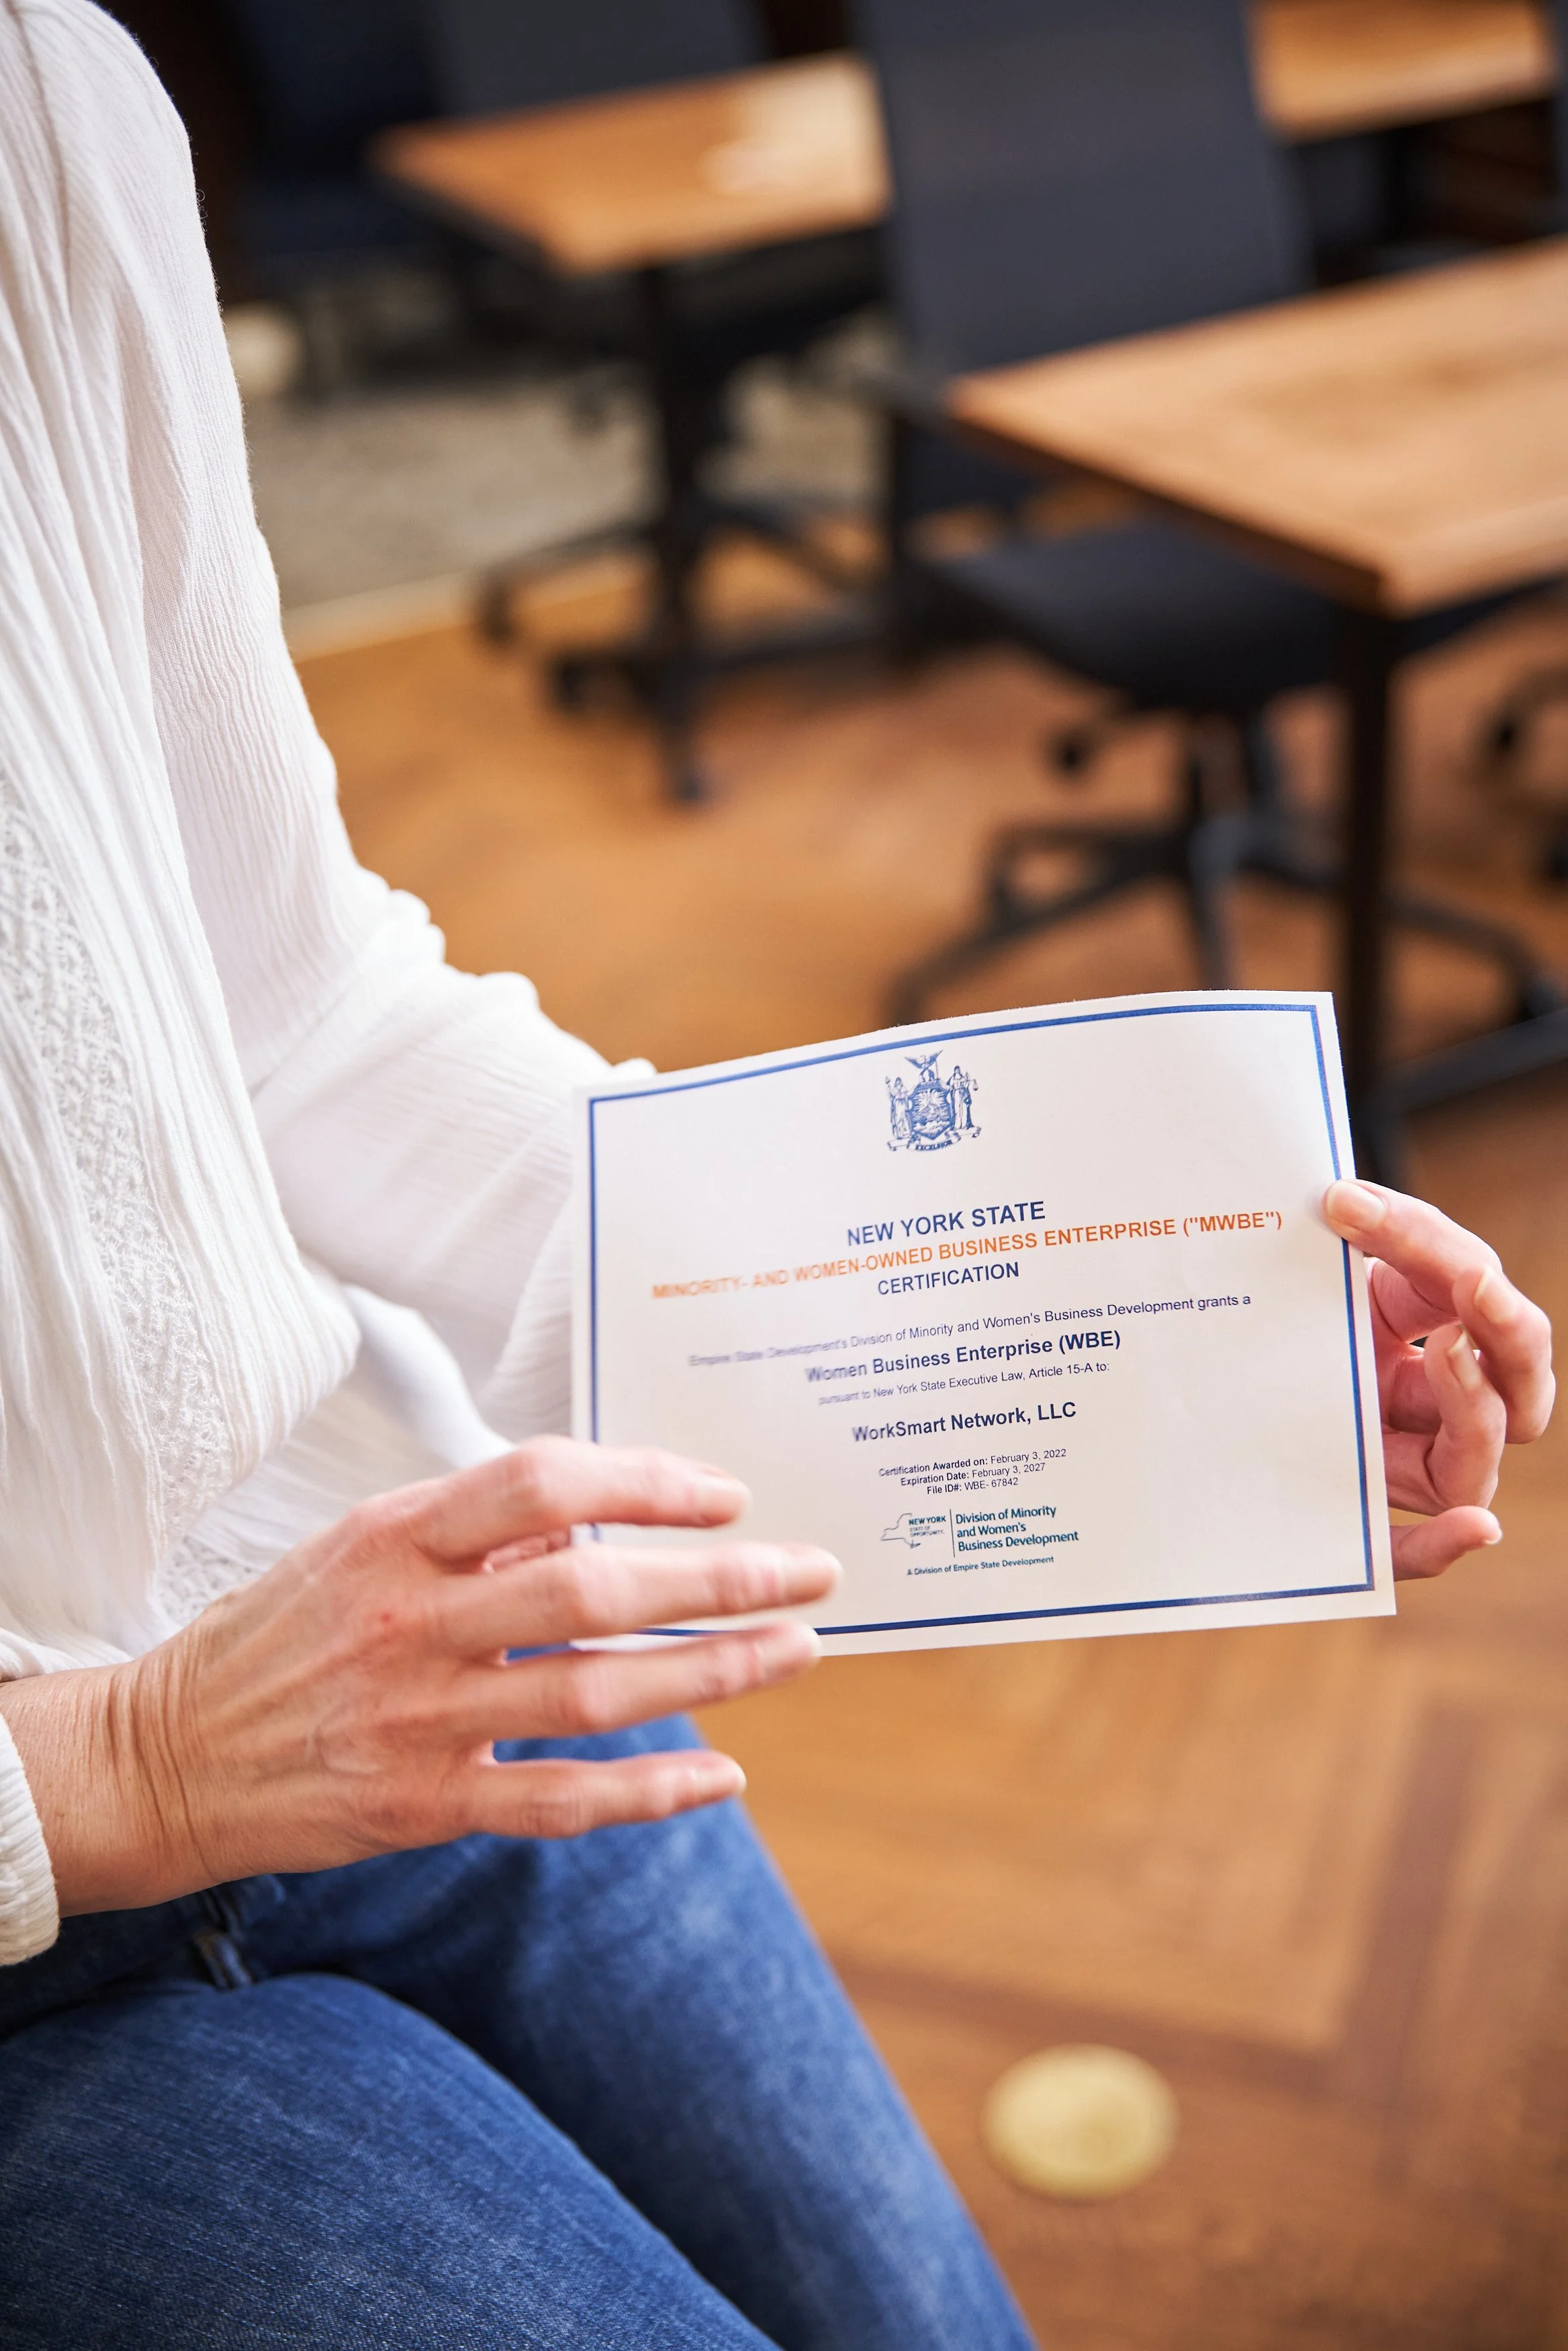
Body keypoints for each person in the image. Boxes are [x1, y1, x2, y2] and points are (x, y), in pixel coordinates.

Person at [0, 4, 1553, 2346]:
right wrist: (111, 1756)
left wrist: (1107, 1326)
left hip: (409, 1634)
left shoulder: (47, 96)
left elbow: (291, 1015)